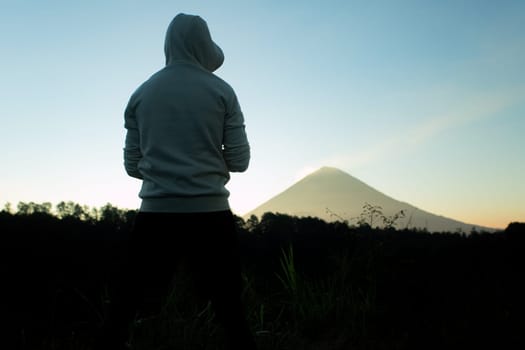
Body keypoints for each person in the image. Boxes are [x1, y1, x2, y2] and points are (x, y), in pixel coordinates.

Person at [100, 13, 255, 350]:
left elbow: (132, 165)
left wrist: (166, 171)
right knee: (230, 310)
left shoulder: (142, 93)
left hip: (154, 215)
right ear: (204, 44)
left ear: (168, 44)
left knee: (126, 306)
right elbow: (240, 162)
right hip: (211, 215)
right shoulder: (222, 91)